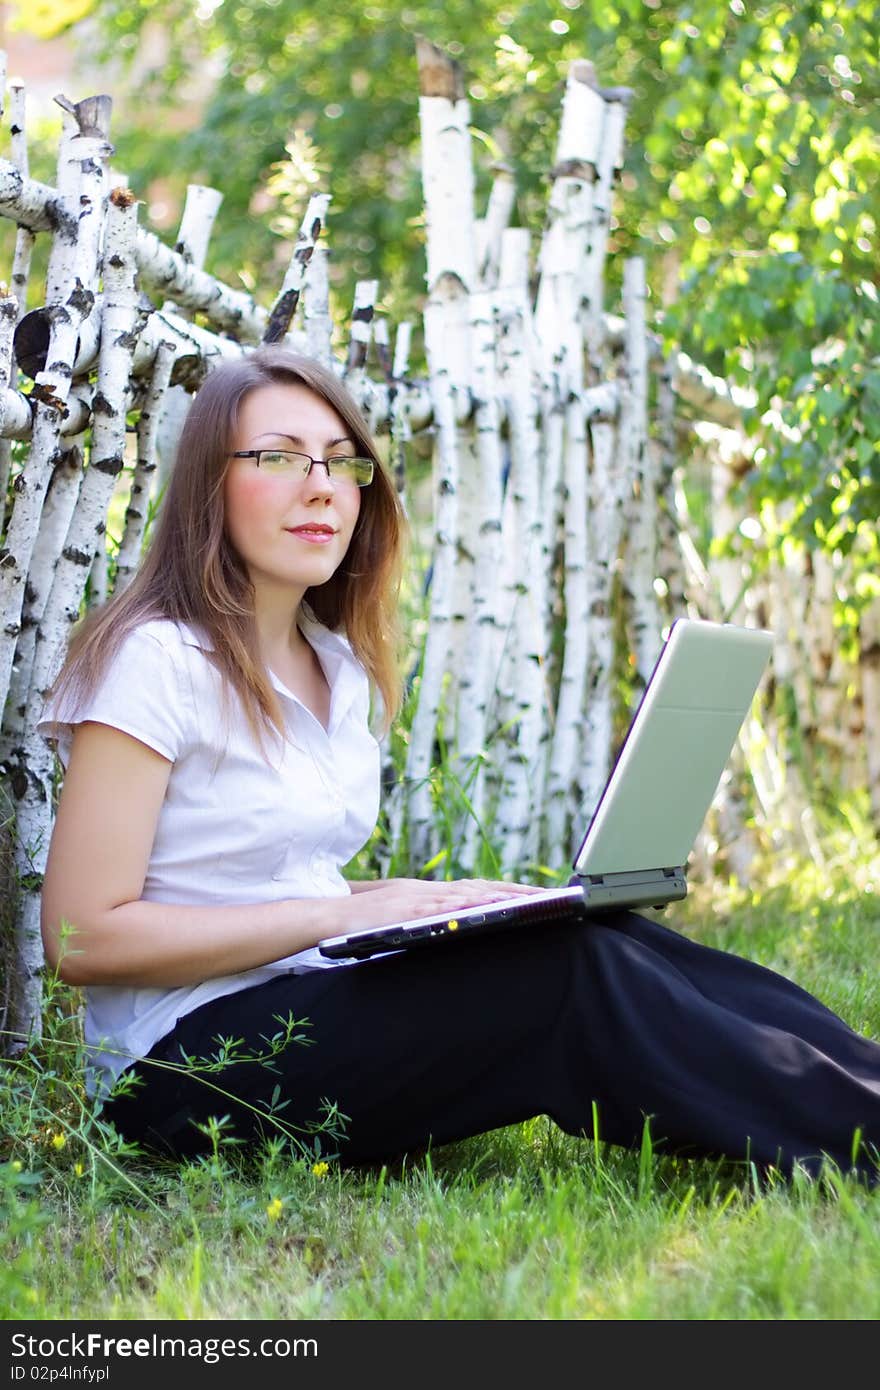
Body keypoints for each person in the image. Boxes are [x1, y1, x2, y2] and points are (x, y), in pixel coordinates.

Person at [38, 347, 880, 1183]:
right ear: (206, 486)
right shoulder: (155, 660)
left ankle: (863, 1083)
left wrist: (443, 905)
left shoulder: (331, 665)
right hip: (184, 1070)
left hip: (301, 998)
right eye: (279, 458)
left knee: (590, 930)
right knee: (562, 979)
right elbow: (84, 937)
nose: (322, 486)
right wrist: (342, 918)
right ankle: (853, 1134)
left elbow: (264, 889)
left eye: (341, 462)